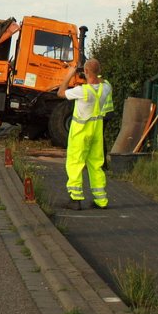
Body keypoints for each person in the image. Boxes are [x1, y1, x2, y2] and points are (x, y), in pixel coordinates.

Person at [57, 59, 114, 210]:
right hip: (96, 131)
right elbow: (101, 80)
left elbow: (60, 93)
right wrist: (92, 72)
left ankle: (75, 199)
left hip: (80, 132)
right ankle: (101, 200)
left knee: (75, 164)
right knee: (96, 165)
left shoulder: (82, 91)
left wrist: (70, 73)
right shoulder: (106, 88)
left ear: (86, 72)